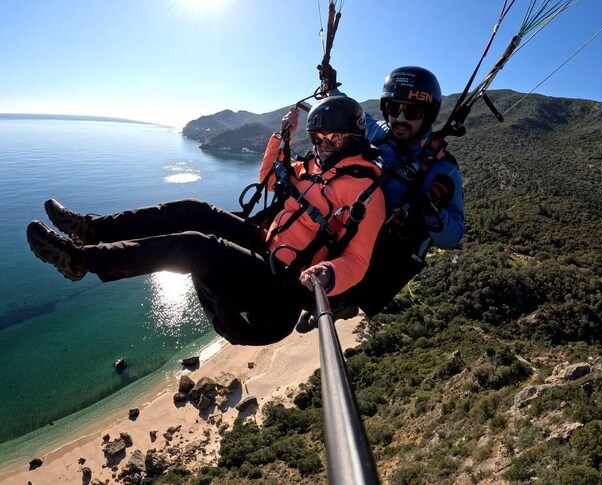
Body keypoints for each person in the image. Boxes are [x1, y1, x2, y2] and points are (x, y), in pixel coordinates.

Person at [26, 96, 386, 346]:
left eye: (332, 138)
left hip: (283, 285)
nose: (322, 145)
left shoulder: (365, 191)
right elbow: (270, 178)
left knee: (195, 245)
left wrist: (329, 275)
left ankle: (80, 260)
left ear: (353, 137)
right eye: (316, 137)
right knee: (193, 209)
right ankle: (91, 229)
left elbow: (358, 259)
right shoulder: (313, 166)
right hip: (267, 245)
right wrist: (282, 136)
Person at [296, 66, 464, 330]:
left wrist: (435, 211)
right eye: (394, 109)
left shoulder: (443, 170)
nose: (400, 118)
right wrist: (331, 88)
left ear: (427, 115)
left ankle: (343, 304)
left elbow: (453, 236)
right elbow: (357, 115)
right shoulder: (383, 135)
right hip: (356, 226)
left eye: (411, 112)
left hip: (388, 252)